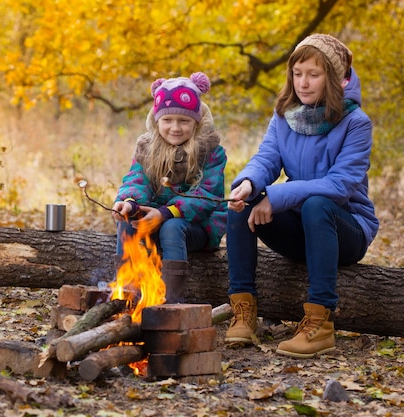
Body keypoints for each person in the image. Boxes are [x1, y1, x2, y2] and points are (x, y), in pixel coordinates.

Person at [225, 34, 379, 358]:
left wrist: (278, 196)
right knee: (242, 205)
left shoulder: (356, 123)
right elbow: (267, 158)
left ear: (333, 79)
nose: (303, 83)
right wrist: (250, 184)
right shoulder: (284, 114)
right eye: (297, 73)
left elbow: (340, 185)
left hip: (344, 229)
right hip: (301, 228)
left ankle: (320, 324)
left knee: (317, 204)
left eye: (314, 74)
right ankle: (243, 312)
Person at [112, 72, 227, 304]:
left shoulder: (211, 151)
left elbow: (207, 196)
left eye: (184, 121)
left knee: (171, 227)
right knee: (128, 218)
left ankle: (172, 302)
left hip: (197, 225)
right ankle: (126, 294)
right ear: (157, 121)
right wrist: (129, 201)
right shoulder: (147, 147)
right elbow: (137, 179)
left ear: (196, 122)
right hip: (155, 216)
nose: (175, 127)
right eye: (167, 120)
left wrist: (165, 213)